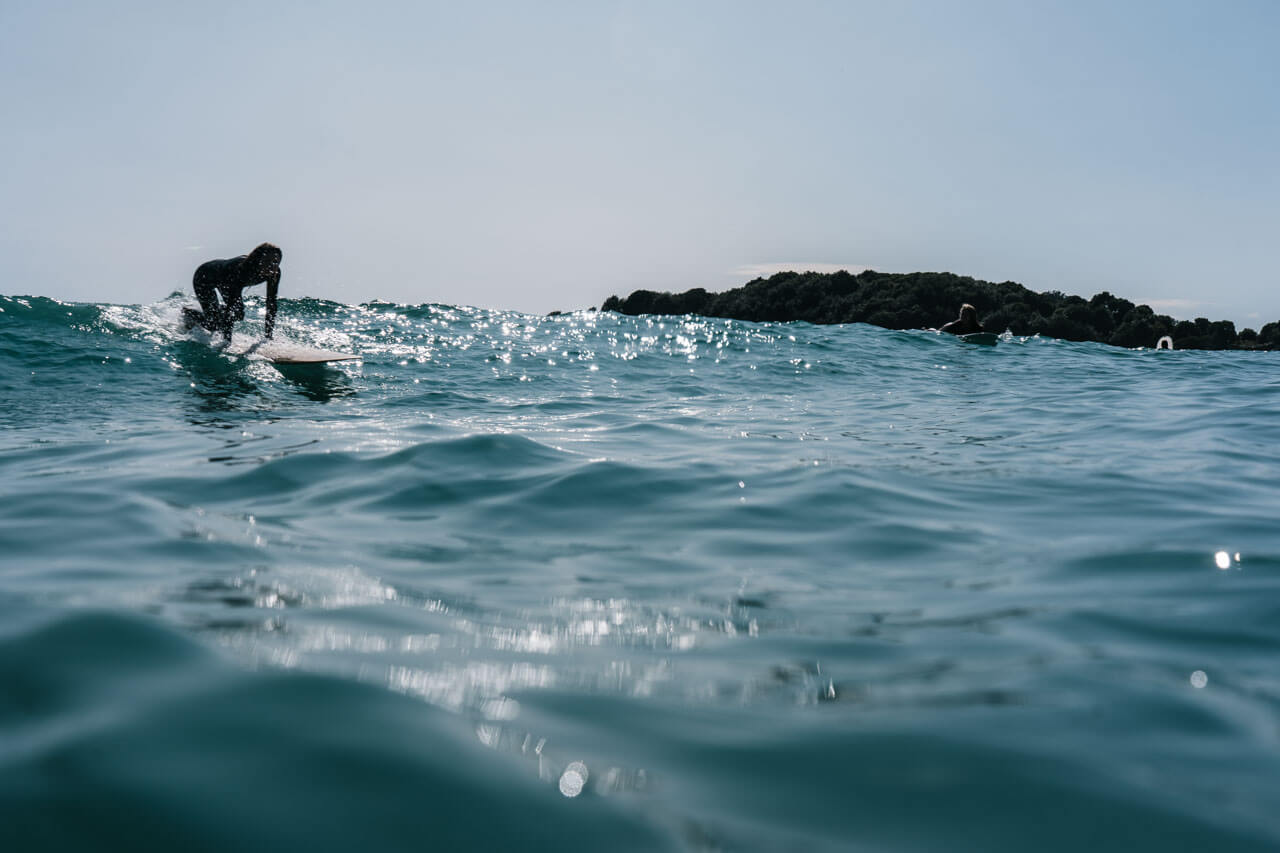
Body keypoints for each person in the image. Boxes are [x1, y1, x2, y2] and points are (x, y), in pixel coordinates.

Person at [183, 243, 282, 341]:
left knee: (238, 314)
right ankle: (190, 313)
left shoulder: (275, 273)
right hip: (204, 277)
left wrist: (268, 336)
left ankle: (218, 312)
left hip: (224, 279)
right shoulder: (241, 270)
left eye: (275, 262)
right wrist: (226, 343)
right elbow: (231, 307)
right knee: (214, 324)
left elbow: (271, 304)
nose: (271, 266)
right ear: (258, 259)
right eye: (267, 261)